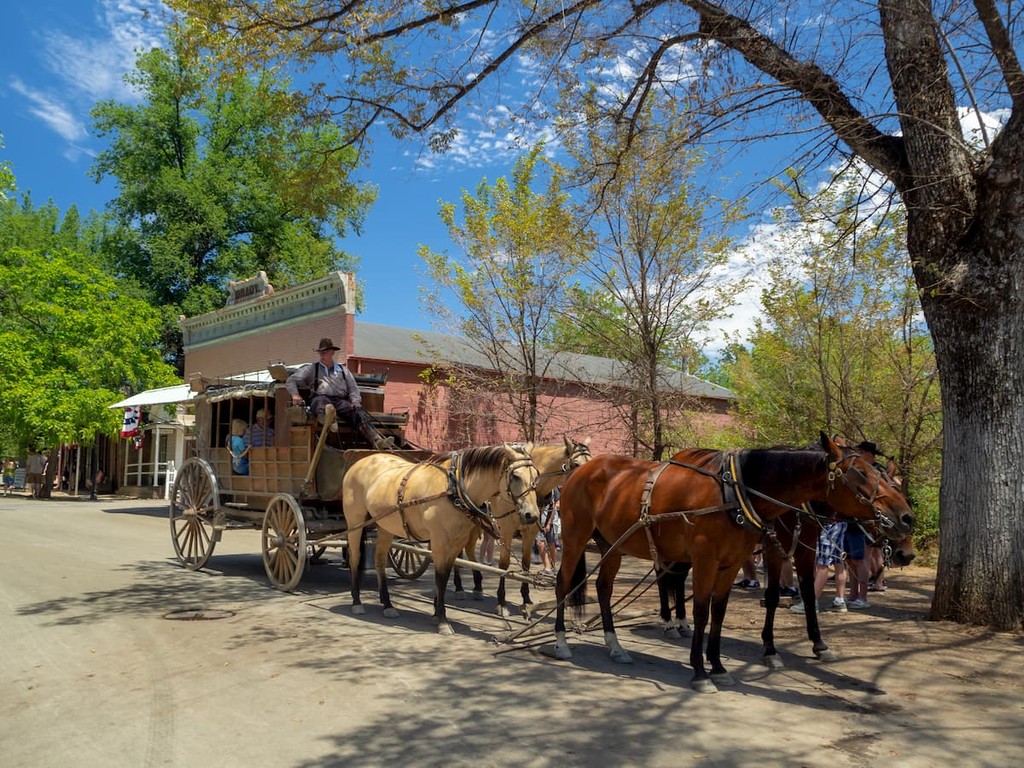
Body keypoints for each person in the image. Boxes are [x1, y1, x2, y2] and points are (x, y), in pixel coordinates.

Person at [285, 338, 395, 450]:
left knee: (356, 412)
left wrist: (355, 401)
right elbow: (291, 380)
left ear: (332, 352)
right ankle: (329, 419)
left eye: (325, 351)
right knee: (321, 402)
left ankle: (377, 440)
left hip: (339, 401)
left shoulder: (343, 370)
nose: (323, 354)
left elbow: (353, 388)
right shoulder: (312, 368)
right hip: (320, 399)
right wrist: (295, 394)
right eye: (321, 352)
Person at [791, 520, 848, 613]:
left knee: (821, 564)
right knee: (838, 562)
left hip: (829, 524)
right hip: (839, 523)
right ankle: (839, 601)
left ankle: (812, 602)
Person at [536, 489, 560, 575]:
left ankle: (553, 566)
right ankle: (547, 567)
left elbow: (554, 507)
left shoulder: (554, 490)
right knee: (539, 543)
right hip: (538, 521)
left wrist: (549, 523)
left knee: (551, 543)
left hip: (552, 521)